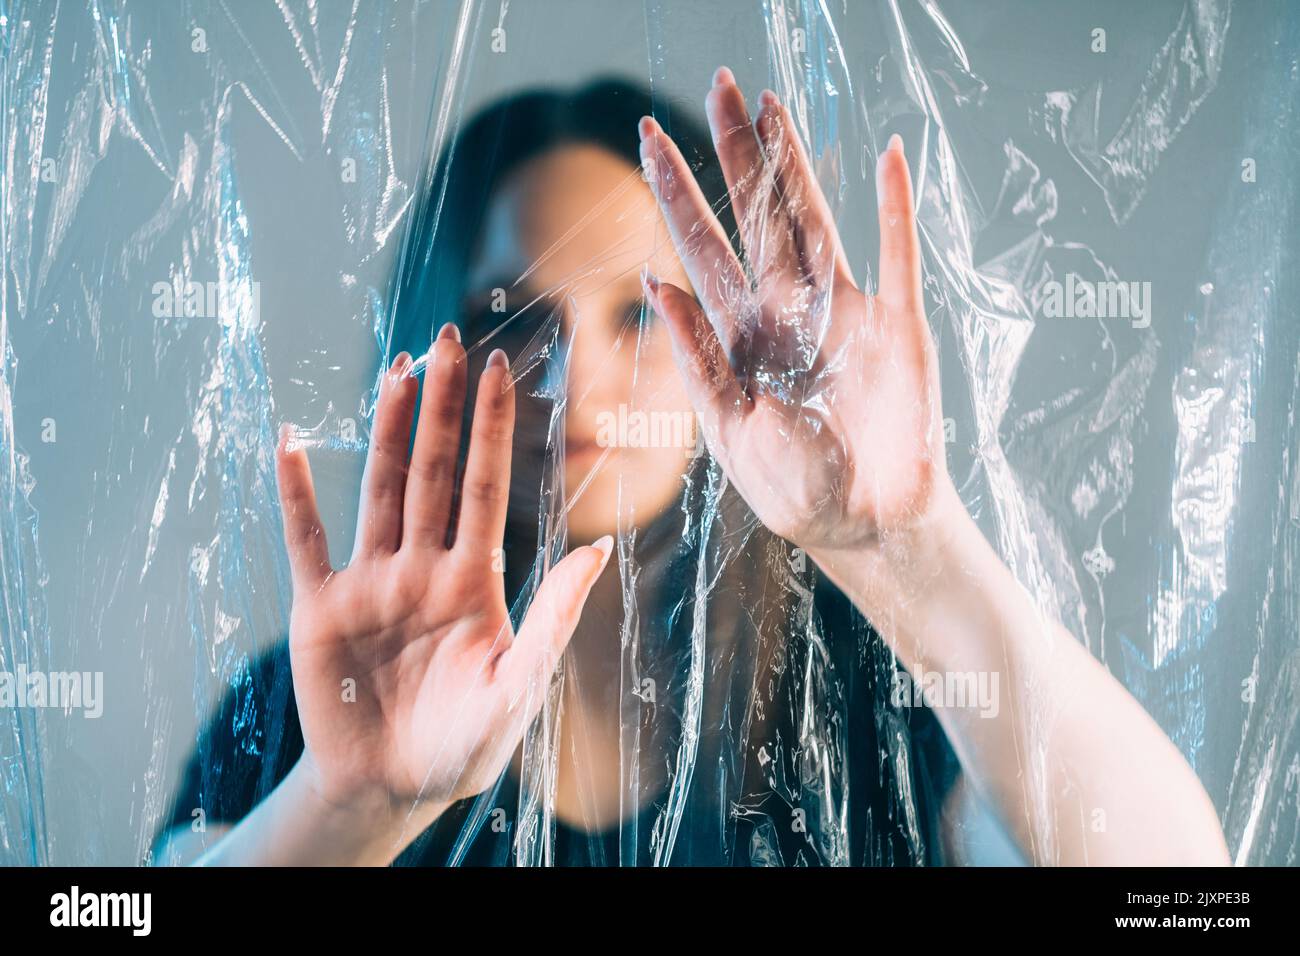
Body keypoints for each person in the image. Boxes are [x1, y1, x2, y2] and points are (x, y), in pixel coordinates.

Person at [154, 70, 1229, 866]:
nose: (576, 383)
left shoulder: (857, 694)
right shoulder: (315, 711)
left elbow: (1182, 890)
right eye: (512, 319)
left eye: (639, 314)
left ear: (727, 331)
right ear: (437, 338)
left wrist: (909, 546)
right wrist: (346, 807)